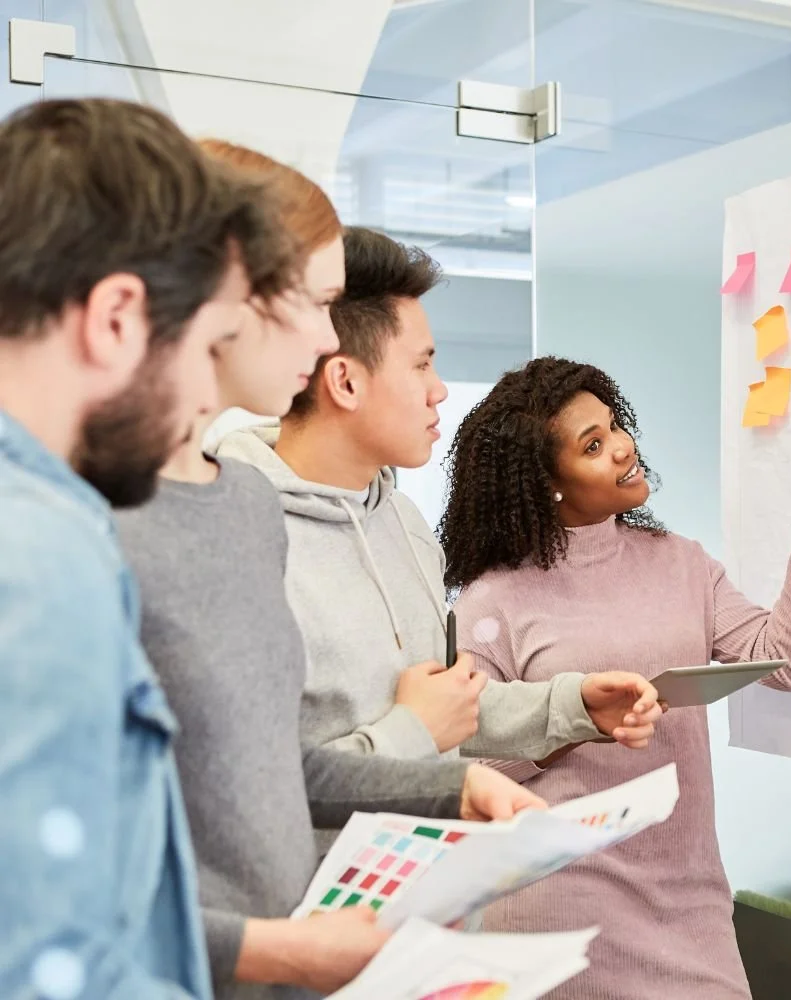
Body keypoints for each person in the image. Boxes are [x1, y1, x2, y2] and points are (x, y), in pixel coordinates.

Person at [115, 143, 544, 1000]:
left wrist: (454, 784)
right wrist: (275, 954)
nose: (320, 340)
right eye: (310, 303)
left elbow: (268, 767)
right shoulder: (92, 518)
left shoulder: (236, 506)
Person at [438, 356, 791, 1000]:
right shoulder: (492, 602)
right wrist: (583, 722)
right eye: (593, 446)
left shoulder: (680, 562)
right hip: (558, 911)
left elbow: (781, 661)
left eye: (614, 426)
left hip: (690, 896)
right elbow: (471, 763)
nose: (624, 448)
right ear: (546, 485)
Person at [215, 228, 664, 854]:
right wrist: (412, 731)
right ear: (345, 382)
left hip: (429, 908)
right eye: (422, 364)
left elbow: (450, 707)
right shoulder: (233, 542)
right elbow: (231, 788)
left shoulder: (403, 522)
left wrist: (572, 706)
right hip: (306, 932)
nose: (440, 390)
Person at [0, 98, 298, 999]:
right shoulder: (43, 557)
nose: (206, 394)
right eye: (209, 349)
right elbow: (44, 968)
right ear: (118, 317)